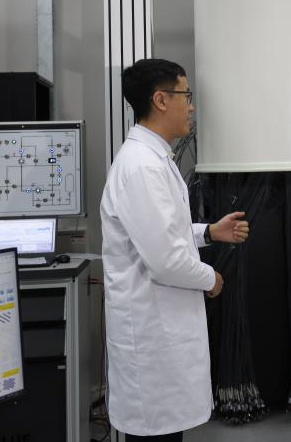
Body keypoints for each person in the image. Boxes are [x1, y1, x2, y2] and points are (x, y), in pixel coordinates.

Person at [101, 58, 251, 441]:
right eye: (186, 95)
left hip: (162, 334)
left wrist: (209, 232)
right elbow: (166, 260)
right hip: (152, 341)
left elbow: (163, 233)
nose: (192, 106)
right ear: (161, 100)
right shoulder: (141, 167)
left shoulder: (153, 159)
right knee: (156, 434)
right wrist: (211, 279)